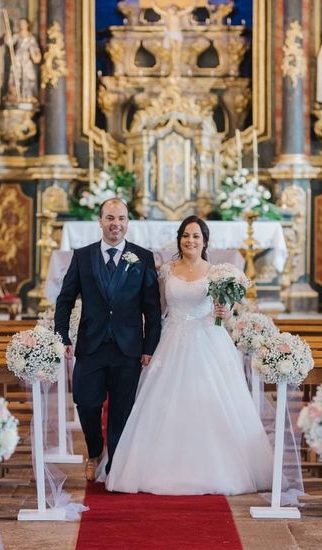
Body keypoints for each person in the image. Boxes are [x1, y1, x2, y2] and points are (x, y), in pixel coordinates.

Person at [105, 215, 273, 495]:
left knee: (208, 400)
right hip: (172, 338)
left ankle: (217, 467)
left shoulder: (218, 272)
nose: (190, 241)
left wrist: (225, 310)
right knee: (163, 403)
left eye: (196, 236)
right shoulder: (167, 271)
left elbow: (224, 307)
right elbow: (156, 309)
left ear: (205, 241)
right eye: (186, 235)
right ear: (179, 239)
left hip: (209, 340)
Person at [54, 198, 162, 481]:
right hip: (91, 344)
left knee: (121, 408)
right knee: (86, 402)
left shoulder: (142, 257)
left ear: (128, 222)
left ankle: (115, 461)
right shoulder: (83, 256)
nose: (116, 224)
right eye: (111, 218)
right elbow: (65, 300)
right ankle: (93, 451)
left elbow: (151, 308)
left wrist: (149, 346)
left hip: (128, 347)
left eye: (122, 218)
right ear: (100, 221)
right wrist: (62, 335)